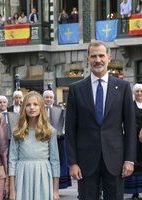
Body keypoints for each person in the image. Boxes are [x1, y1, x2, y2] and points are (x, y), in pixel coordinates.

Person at [65, 41, 136, 200]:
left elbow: (130, 127)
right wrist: (72, 162)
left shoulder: (123, 87)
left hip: (115, 161)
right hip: (85, 162)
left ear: (109, 58)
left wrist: (129, 159)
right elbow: (70, 129)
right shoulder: (76, 89)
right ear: (87, 59)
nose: (98, 60)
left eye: (101, 55)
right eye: (94, 56)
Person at [8, 91, 60, 200]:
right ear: (23, 108)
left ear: (41, 107)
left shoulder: (50, 131)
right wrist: (12, 190)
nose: (32, 107)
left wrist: (55, 190)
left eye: (35, 104)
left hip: (43, 174)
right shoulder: (17, 131)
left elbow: (55, 161)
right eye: (28, 105)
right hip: (23, 175)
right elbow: (12, 160)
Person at [43, 89, 72, 189]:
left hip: (58, 139)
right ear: (43, 99)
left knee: (59, 162)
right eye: (47, 97)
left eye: (51, 97)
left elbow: (65, 122)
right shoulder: (39, 109)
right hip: (43, 140)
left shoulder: (60, 109)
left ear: (54, 99)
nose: (49, 99)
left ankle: (58, 185)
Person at [124, 83, 142, 200]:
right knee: (134, 164)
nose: (139, 93)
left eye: (141, 91)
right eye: (137, 91)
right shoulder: (130, 105)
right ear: (134, 93)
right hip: (133, 140)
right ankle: (135, 192)